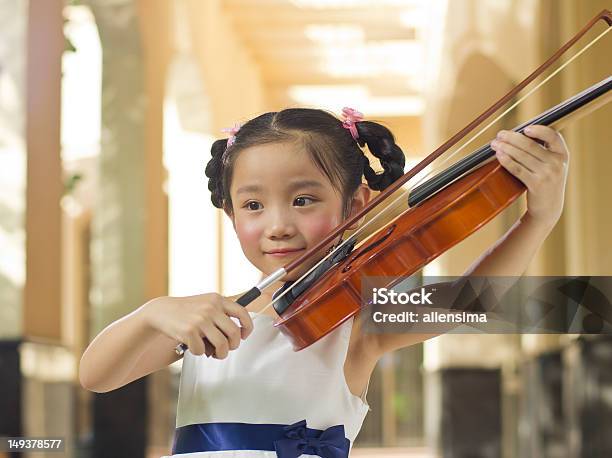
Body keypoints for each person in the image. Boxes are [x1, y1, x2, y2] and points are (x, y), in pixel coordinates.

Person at [79, 107, 569, 457]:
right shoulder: (208, 322)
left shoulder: (358, 320)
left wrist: (537, 220)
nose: (278, 225)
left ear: (355, 206)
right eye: (253, 205)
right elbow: (96, 376)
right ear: (229, 214)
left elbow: (467, 301)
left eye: (303, 199)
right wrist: (151, 313)